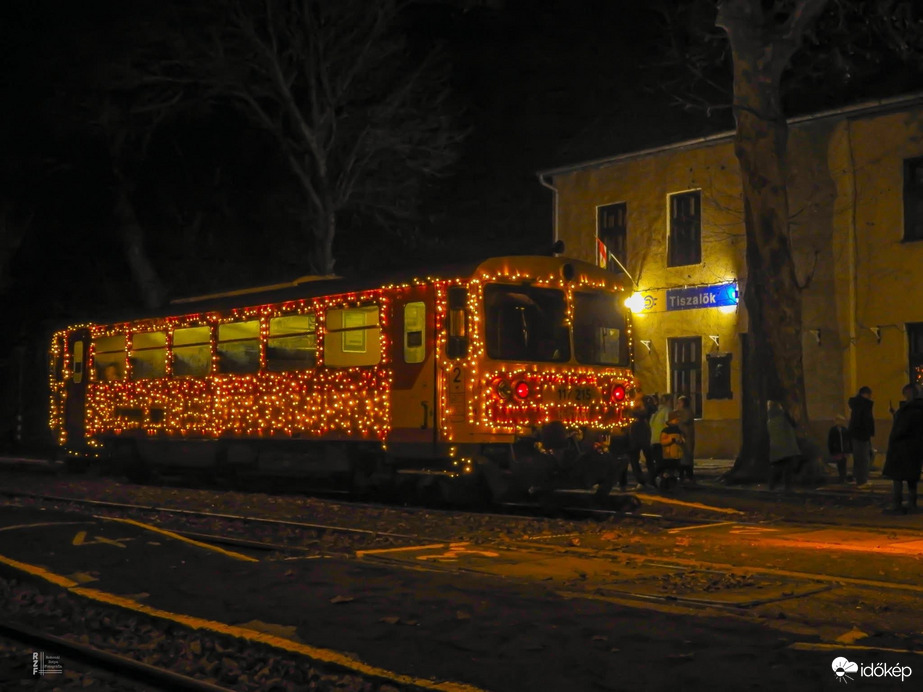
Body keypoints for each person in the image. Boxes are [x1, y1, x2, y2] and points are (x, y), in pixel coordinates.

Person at [882, 383, 923, 514]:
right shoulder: (918, 408)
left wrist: (895, 434)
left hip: (902, 448)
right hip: (915, 449)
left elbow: (903, 428)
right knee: (912, 477)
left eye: (905, 394)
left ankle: (897, 503)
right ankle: (912, 503)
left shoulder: (909, 410)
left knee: (897, 476)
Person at [767, 400, 801, 492]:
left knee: (778, 467)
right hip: (787, 446)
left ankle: (772, 485)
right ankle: (787, 486)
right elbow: (794, 424)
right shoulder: (784, 416)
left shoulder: (769, 419)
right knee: (788, 468)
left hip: (776, 447)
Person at [848, 386, 875, 487]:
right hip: (862, 435)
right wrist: (867, 432)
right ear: (866, 394)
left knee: (860, 457)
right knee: (863, 458)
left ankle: (858, 478)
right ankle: (862, 480)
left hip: (857, 434)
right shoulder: (863, 405)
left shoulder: (857, 405)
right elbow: (865, 420)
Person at [624, 406, 652, 489]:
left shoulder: (635, 423)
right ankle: (649, 480)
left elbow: (632, 435)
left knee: (635, 462)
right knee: (647, 461)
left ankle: (642, 481)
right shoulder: (644, 422)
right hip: (643, 443)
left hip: (636, 444)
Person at [648, 394, 672, 486]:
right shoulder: (667, 410)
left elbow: (651, 424)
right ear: (667, 401)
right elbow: (669, 424)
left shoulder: (656, 412)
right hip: (663, 440)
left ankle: (655, 480)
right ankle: (657, 480)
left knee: (658, 461)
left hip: (654, 439)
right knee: (663, 463)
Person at [672, 395, 696, 485]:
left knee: (687, 456)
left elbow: (686, 420)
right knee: (681, 457)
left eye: (680, 402)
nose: (678, 404)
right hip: (680, 437)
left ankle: (689, 475)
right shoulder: (678, 412)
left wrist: (678, 416)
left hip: (686, 437)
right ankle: (682, 475)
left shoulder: (687, 412)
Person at [827, 414, 851, 484]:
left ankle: (843, 478)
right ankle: (841, 478)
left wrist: (848, 449)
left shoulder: (845, 430)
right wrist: (831, 449)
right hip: (837, 450)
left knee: (844, 464)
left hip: (844, 450)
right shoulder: (833, 430)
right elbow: (830, 441)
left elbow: (848, 440)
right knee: (840, 464)